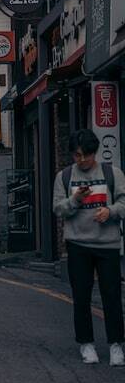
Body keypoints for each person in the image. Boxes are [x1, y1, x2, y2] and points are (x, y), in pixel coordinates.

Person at [53, 129, 125, 366]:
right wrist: (75, 200)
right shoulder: (64, 177)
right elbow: (58, 209)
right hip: (78, 245)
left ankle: (116, 345)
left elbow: (123, 203)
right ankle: (86, 344)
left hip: (108, 244)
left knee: (112, 295)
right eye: (77, 156)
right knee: (81, 296)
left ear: (94, 153)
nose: (81, 160)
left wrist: (110, 211)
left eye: (85, 155)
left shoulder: (111, 174)